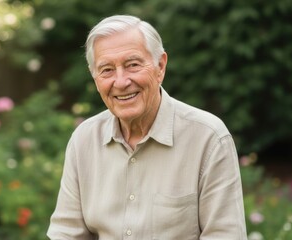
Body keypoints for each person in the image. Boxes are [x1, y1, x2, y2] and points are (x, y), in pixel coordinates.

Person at [47, 15, 247, 239]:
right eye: (107, 70)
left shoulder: (208, 138)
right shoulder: (84, 139)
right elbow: (66, 234)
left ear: (160, 66)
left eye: (132, 65)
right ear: (95, 78)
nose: (121, 82)